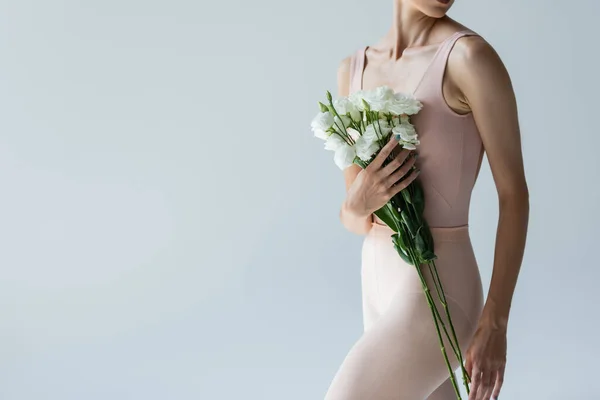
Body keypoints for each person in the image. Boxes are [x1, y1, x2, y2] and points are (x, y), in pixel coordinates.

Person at [324, 1, 529, 399]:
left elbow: (514, 194)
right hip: (376, 282)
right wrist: (356, 203)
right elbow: (357, 218)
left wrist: (496, 320)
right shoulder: (353, 70)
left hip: (441, 288)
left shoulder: (469, 58)